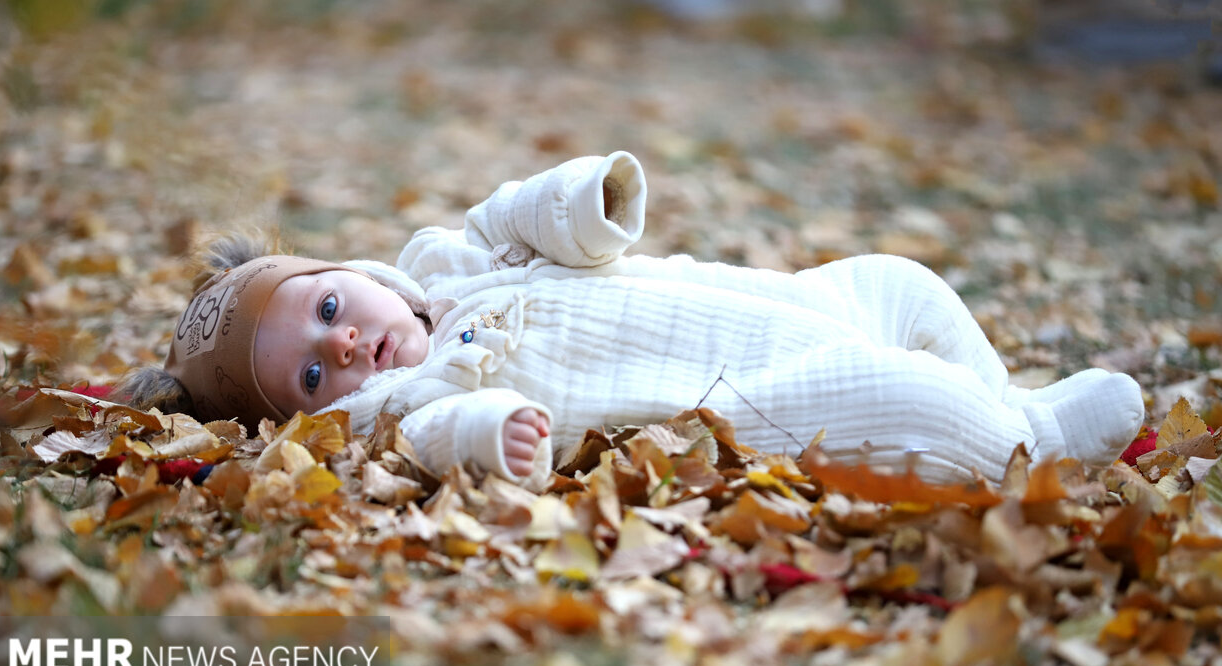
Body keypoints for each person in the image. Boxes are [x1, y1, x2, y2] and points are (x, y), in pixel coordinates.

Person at [119, 152, 1145, 487]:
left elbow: (528, 210)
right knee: (904, 405)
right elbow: (426, 436)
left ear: (353, 269)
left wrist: (585, 199)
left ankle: (1011, 390)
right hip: (740, 396)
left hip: (777, 303)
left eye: (331, 307)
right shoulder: (402, 395)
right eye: (311, 374)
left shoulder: (455, 259)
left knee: (901, 283)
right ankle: (1028, 436)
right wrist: (489, 433)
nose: (343, 344)